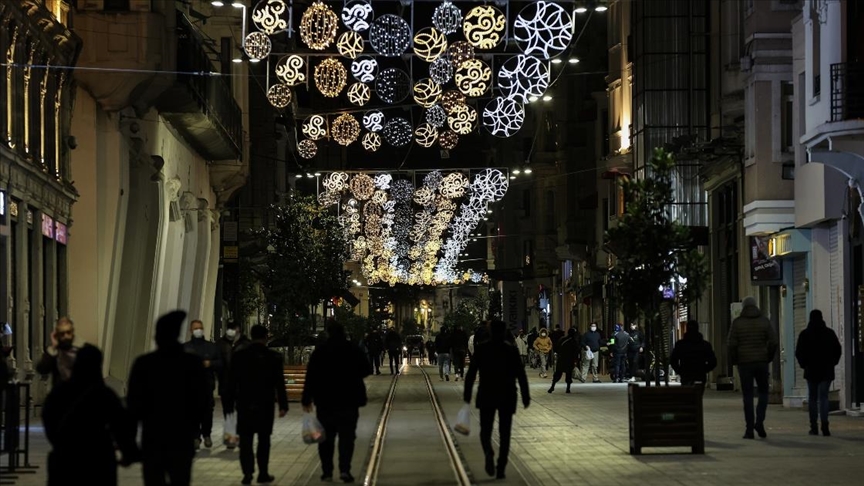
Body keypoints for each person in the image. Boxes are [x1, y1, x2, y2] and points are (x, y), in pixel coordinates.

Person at [127, 310, 208, 486]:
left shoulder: (144, 364)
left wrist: (129, 445)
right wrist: (195, 428)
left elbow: (133, 407)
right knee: (180, 480)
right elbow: (202, 401)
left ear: (157, 336)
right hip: (182, 437)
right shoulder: (192, 363)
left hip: (153, 438)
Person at [42, 345, 139, 486]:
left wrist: (61, 442)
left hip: (65, 458)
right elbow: (121, 425)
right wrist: (128, 452)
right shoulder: (104, 394)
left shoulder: (60, 392)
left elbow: (48, 419)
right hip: (99, 457)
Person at [302, 320, 371, 483]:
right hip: (349, 401)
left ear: (328, 333)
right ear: (343, 332)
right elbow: (366, 369)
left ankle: (327, 472)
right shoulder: (352, 349)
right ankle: (345, 470)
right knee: (347, 437)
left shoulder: (321, 351)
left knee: (325, 438)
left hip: (325, 402)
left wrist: (306, 397)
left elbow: (311, 376)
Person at [463, 320, 530, 480]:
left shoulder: (481, 349)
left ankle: (488, 452)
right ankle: (501, 467)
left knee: (485, 430)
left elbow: (471, 373)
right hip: (507, 394)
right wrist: (526, 396)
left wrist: (467, 394)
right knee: (505, 433)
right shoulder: (511, 350)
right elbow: (521, 374)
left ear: (490, 331)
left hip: (487, 394)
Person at [232, 325, 288, 485]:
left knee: (246, 441)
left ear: (251, 335)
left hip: (244, 404)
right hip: (265, 405)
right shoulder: (274, 357)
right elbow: (279, 383)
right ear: (266, 337)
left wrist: (230, 402)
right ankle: (263, 473)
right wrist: (283, 405)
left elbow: (232, 382)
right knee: (264, 440)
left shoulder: (240, 356)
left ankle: (247, 473)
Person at [728, 296, 778, 439]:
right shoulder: (764, 321)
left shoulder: (737, 323)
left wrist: (735, 360)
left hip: (744, 363)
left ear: (743, 307)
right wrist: (768, 357)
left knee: (747, 396)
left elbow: (731, 344)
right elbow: (773, 341)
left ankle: (749, 429)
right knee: (763, 393)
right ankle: (760, 421)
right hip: (761, 361)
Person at [795, 309, 842, 436]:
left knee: (812, 398)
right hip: (826, 370)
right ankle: (825, 425)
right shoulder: (829, 333)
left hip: (811, 371)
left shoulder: (805, 334)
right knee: (824, 397)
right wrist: (833, 363)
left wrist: (804, 364)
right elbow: (838, 350)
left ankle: (813, 426)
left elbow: (798, 352)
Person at [183, 319, 222, 450]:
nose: (198, 330)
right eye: (195, 328)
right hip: (190, 387)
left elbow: (220, 363)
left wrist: (210, 364)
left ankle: (207, 435)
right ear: (191, 330)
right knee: (192, 412)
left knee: (207, 412)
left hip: (206, 385)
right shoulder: (185, 348)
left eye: (199, 328)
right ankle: (195, 437)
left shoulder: (211, 347)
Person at [217, 321, 251, 449]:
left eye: (234, 329)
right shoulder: (221, 344)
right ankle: (231, 437)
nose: (232, 331)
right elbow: (218, 362)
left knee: (243, 412)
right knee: (228, 413)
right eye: (229, 329)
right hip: (226, 384)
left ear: (239, 330)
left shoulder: (246, 344)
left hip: (242, 385)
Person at [670, 320, 717, 392]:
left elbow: (673, 360)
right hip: (700, 374)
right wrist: (704, 369)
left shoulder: (680, 345)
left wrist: (680, 371)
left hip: (686, 374)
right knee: (698, 397)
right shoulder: (705, 345)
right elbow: (713, 362)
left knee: (687, 396)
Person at [36, 317, 80, 387]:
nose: (65, 336)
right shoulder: (55, 354)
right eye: (62, 334)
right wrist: (53, 346)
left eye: (68, 332)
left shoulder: (81, 353)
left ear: (72, 332)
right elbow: (42, 369)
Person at [548, 328, 579, 393]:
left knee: (557, 374)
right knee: (568, 374)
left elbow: (556, 348)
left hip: (561, 359)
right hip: (569, 360)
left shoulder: (562, 339)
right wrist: (576, 361)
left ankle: (552, 386)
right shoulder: (574, 341)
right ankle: (568, 388)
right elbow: (576, 352)